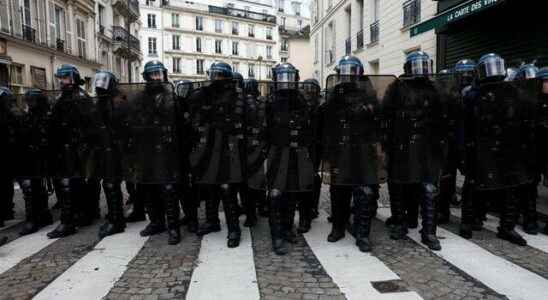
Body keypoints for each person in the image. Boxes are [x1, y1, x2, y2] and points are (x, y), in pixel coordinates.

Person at [460, 53, 532, 245]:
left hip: (506, 147)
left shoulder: (513, 92)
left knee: (511, 188)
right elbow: (464, 125)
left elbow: (523, 120)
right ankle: (468, 221)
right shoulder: (472, 95)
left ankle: (507, 227)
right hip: (480, 147)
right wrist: (465, 151)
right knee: (473, 186)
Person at [321, 56, 388, 252]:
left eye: (352, 71)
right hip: (341, 149)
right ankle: (338, 228)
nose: (348, 75)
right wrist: (327, 150)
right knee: (338, 190)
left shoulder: (368, 92)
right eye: (345, 71)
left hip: (363, 149)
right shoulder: (335, 93)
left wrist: (368, 111)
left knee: (364, 192)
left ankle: (362, 234)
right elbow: (328, 122)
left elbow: (378, 119)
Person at [383, 51, 445, 250]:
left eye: (423, 65)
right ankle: (400, 223)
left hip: (427, 145)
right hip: (401, 145)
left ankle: (429, 232)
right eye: (417, 65)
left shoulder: (435, 88)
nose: (421, 70)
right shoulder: (397, 87)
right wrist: (387, 142)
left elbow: (444, 115)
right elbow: (385, 114)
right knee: (399, 184)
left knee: (428, 188)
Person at [187, 61, 245, 248]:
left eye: (220, 75)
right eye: (214, 75)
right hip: (208, 146)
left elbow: (242, 121)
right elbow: (194, 115)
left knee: (227, 189)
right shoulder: (204, 94)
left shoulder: (237, 96)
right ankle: (212, 222)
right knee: (208, 187)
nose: (216, 79)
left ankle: (234, 228)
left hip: (229, 147)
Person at [124, 60, 182, 245]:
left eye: (159, 73)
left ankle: (173, 227)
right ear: (147, 76)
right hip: (147, 149)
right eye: (153, 74)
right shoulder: (139, 98)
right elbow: (132, 122)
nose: (157, 77)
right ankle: (156, 222)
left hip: (167, 150)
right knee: (148, 187)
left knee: (168, 189)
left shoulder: (173, 96)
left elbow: (182, 124)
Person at [266, 63, 318, 255]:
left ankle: (287, 229)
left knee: (291, 194)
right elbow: (263, 131)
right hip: (277, 154)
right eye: (282, 77)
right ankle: (277, 236)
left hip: (297, 154)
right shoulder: (270, 102)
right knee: (276, 195)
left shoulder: (302, 101)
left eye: (289, 77)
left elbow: (310, 130)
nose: (286, 81)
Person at [47, 64, 92, 238]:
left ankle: (69, 222)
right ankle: (77, 216)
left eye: (65, 78)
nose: (62, 81)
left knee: (72, 185)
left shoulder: (81, 97)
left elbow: (89, 124)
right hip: (64, 149)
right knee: (69, 185)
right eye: (61, 78)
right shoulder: (60, 98)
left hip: (78, 149)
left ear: (73, 78)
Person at [10, 89, 54, 235]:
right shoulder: (26, 117)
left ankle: (36, 219)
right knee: (32, 188)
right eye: (28, 101)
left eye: (32, 101)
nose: (30, 104)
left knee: (35, 188)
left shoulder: (47, 117)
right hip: (29, 157)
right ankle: (39, 216)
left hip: (42, 157)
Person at [93, 71, 127, 238]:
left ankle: (117, 220)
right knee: (108, 184)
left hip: (116, 149)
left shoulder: (117, 101)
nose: (101, 84)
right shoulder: (102, 101)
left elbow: (119, 125)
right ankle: (115, 216)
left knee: (112, 184)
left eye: (104, 81)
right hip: (104, 148)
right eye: (99, 81)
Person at [0, 87, 16, 228]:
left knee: (5, 182)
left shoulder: (10, 114)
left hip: (7, 151)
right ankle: (6, 210)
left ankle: (7, 210)